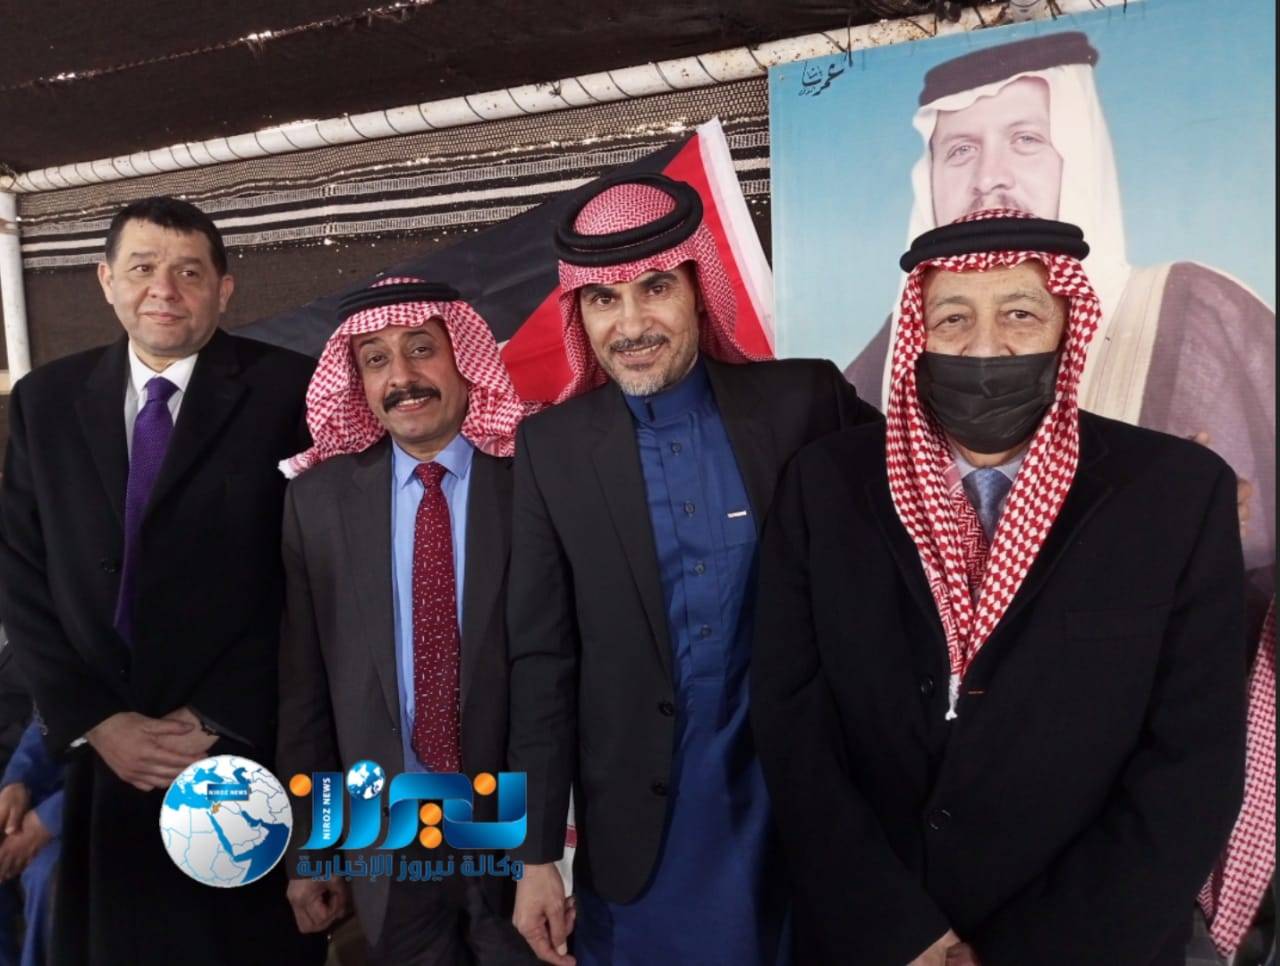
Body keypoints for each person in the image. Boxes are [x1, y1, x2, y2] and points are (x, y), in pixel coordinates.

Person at [754, 209, 1248, 965]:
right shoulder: (824, 486)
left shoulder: (1177, 495)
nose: (985, 348)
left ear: (1068, 326)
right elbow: (793, 723)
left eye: (1019, 314)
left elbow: (1193, 761)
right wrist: (898, 930)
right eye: (953, 318)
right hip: (877, 937)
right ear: (919, 336)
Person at [506, 173, 881, 965]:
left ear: (699, 291)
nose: (631, 324)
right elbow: (542, 661)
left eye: (655, 289)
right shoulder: (551, 450)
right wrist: (535, 855)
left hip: (802, 809)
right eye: (603, 299)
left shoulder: (802, 402)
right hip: (648, 828)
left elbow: (924, 497)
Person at [0, 196, 323, 964]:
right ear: (105, 280)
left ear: (224, 289)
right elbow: (21, 570)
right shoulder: (45, 400)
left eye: (189, 272)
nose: (164, 291)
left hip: (236, 750)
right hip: (101, 762)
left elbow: (315, 579)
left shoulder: (290, 391)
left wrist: (219, 714)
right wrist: (97, 720)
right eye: (142, 268)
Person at [844, 32, 1274, 609]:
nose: (989, 178)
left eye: (1026, 139)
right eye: (961, 149)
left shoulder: (1195, 308)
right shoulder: (893, 354)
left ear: (1080, 155)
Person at [276, 277, 540, 965]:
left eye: (421, 349)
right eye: (375, 360)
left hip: (517, 822)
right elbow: (306, 693)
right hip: (384, 831)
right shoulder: (318, 501)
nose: (401, 378)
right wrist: (312, 848)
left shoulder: (535, 477)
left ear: (464, 358)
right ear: (357, 383)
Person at [0, 719, 62, 966]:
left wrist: (46, 821)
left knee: (46, 876)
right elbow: (45, 721)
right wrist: (16, 782)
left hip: (106, 807)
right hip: (43, 794)